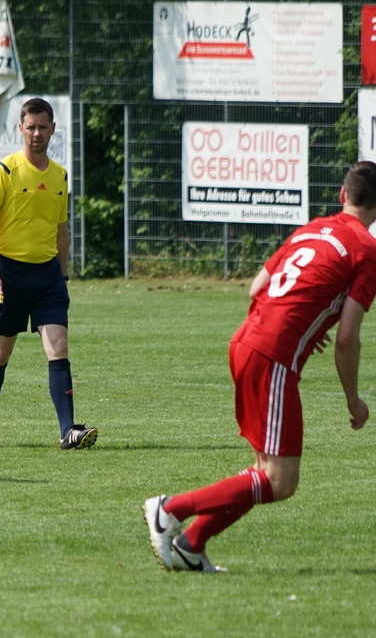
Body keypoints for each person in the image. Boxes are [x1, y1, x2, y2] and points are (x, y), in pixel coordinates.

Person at [144, 160, 376, 573]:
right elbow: (347, 338)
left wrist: (307, 317)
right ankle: (170, 508)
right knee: (280, 481)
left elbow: (258, 286)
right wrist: (353, 400)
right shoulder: (366, 250)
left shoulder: (311, 229)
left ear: (343, 195)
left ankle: (191, 545)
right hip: (272, 358)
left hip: (247, 342)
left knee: (265, 471)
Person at [0, 97, 97, 450]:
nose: (37, 133)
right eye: (31, 127)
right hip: (8, 273)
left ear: (53, 129)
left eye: (43, 127)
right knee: (1, 351)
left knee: (59, 346)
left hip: (47, 277)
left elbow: (61, 230)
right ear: (21, 129)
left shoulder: (60, 175)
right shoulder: (5, 171)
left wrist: (63, 276)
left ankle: (68, 431)